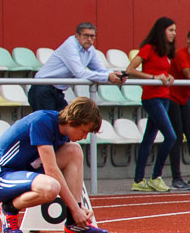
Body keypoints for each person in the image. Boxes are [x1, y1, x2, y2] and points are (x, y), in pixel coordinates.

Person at [0, 97, 109, 233]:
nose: (85, 136)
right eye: (83, 131)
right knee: (51, 187)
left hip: (25, 172)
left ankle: (73, 223)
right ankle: (8, 208)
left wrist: (78, 208)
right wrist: (75, 208)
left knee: (74, 150)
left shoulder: (63, 132)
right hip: (0, 176)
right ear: (72, 122)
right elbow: (51, 170)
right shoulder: (42, 122)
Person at [125, 17, 178, 193]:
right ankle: (156, 177)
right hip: (152, 98)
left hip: (164, 97)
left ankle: (138, 180)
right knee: (171, 136)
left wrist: (167, 77)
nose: (174, 34)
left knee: (148, 139)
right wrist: (154, 78)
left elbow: (162, 72)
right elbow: (131, 70)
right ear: (162, 30)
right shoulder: (148, 48)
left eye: (175, 31)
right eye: (171, 30)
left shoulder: (166, 51)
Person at [28, 22, 125, 112]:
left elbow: (100, 69)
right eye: (85, 35)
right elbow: (79, 73)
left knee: (66, 123)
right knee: (48, 125)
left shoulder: (90, 49)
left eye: (92, 36)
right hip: (42, 89)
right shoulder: (70, 46)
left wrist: (115, 74)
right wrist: (108, 77)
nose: (89, 39)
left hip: (56, 91)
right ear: (77, 36)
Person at [167, 30, 190, 190]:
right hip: (172, 97)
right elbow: (187, 74)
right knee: (177, 136)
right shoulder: (180, 54)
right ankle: (176, 177)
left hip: (185, 98)